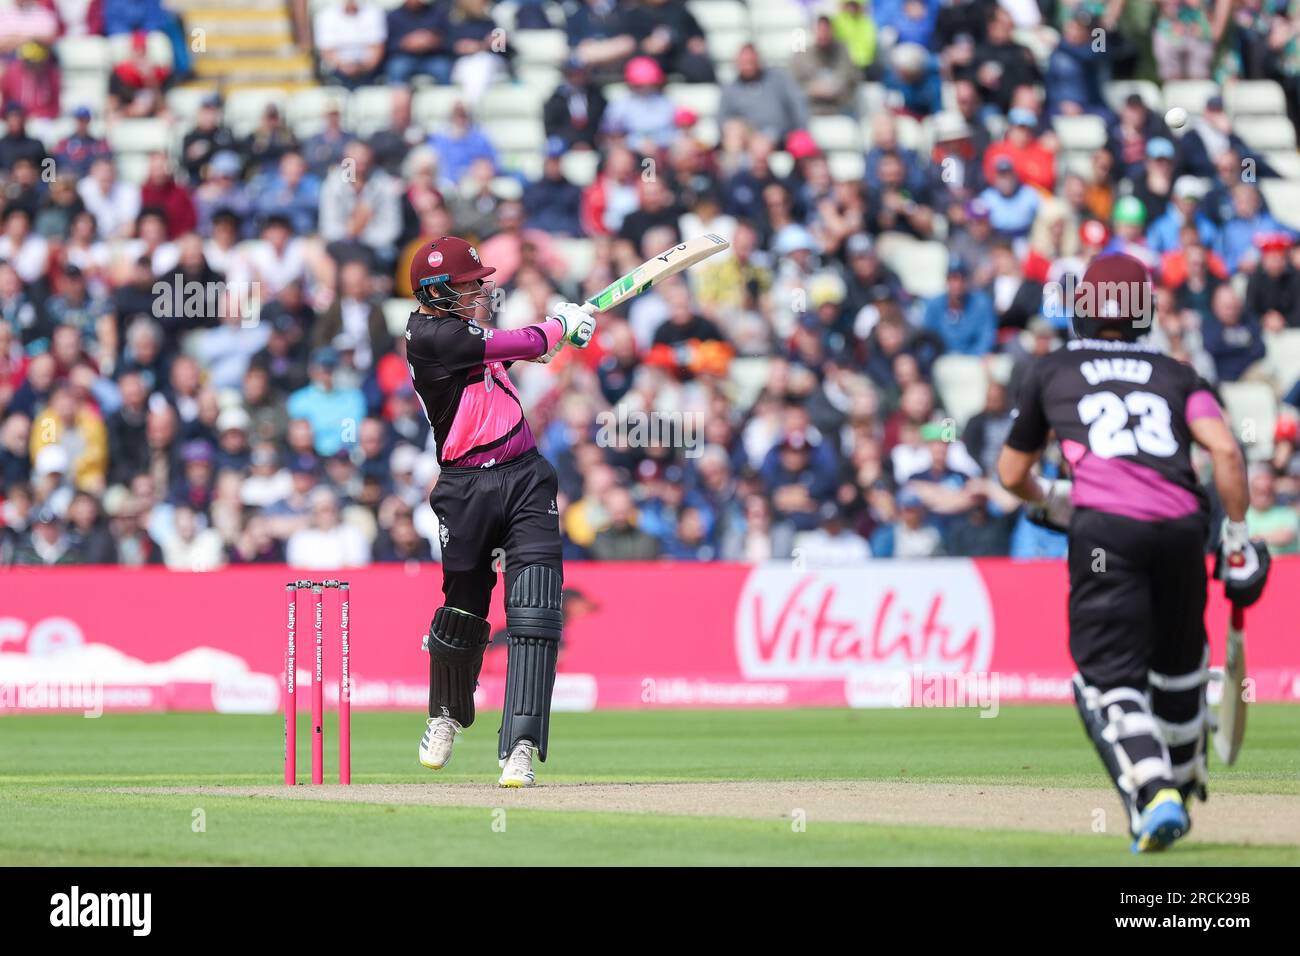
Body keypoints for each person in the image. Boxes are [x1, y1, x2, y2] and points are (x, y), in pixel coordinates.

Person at [996, 252, 1270, 853]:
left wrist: (1055, 500)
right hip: (1182, 530)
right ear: (1144, 310)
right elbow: (1225, 452)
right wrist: (1240, 537)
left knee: (1105, 678)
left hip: (1106, 535)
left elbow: (1012, 472)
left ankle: (1154, 791)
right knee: (1176, 669)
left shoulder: (1050, 369)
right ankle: (1185, 771)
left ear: (1080, 309)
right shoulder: (1179, 373)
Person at [405, 235, 594, 788]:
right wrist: (558, 326)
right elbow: (520, 340)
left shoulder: (465, 333)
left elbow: (521, 348)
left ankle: (521, 748)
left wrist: (554, 338)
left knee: (536, 610)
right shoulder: (431, 336)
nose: (480, 291)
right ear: (438, 292)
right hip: (465, 487)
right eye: (469, 285)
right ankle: (445, 714)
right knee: (463, 609)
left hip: (526, 476)